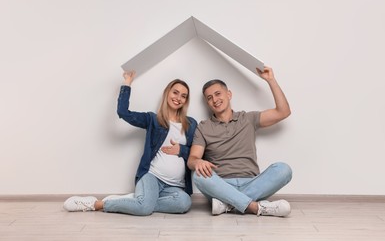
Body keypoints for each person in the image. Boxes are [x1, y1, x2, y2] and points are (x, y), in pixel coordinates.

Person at [63, 70, 197, 215]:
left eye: (183, 96)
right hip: (152, 177)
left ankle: (138, 200)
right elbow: (123, 112)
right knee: (144, 209)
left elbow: (198, 153)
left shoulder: (191, 124)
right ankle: (97, 204)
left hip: (176, 186)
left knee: (184, 203)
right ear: (167, 93)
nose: (178, 98)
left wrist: (181, 150)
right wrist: (127, 82)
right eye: (175, 92)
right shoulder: (153, 119)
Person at [187, 66, 292, 217]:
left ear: (229, 94)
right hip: (221, 186)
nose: (215, 100)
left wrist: (271, 80)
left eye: (218, 94)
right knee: (198, 176)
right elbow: (192, 159)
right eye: (209, 98)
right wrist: (197, 162)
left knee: (284, 169)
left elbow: (283, 111)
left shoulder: (248, 119)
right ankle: (256, 207)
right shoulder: (203, 127)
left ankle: (228, 204)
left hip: (252, 182)